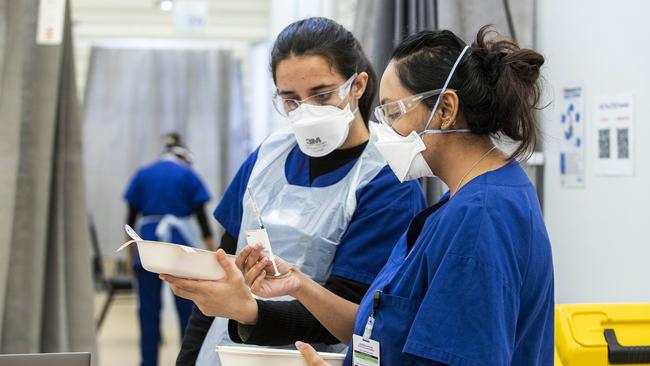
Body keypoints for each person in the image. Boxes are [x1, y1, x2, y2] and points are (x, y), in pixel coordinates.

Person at [163, 25, 554, 366]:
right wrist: (298, 283)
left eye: (394, 112)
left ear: (446, 109)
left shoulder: (480, 216)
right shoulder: (469, 202)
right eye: (290, 100)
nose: (385, 128)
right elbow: (384, 330)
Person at [174, 17, 427, 366]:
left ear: (358, 85)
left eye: (322, 95)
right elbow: (220, 269)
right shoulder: (266, 158)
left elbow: (352, 313)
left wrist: (250, 313)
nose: (306, 111)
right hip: (226, 351)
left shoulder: (386, 182)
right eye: (291, 100)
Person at [124, 132, 214, 366]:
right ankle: (187, 361)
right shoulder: (187, 174)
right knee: (188, 310)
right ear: (184, 156)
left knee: (148, 312)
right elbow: (203, 222)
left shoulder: (143, 174)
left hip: (147, 247)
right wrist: (213, 257)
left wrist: (130, 257)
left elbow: (129, 220)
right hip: (179, 248)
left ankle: (148, 361)